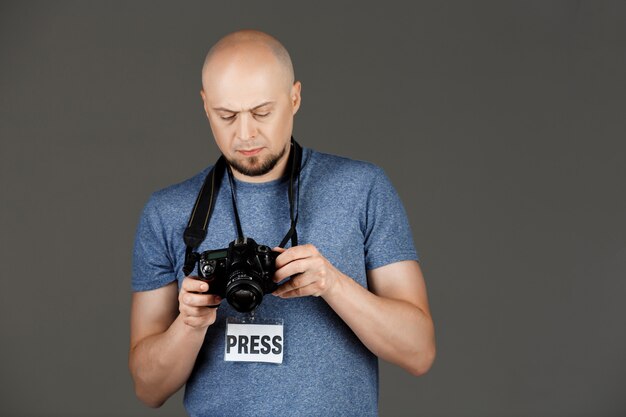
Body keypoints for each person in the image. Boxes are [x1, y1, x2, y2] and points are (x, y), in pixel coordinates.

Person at [129, 29, 435, 417]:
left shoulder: (363, 189)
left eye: (261, 112)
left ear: (294, 98)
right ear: (206, 106)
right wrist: (188, 325)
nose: (244, 134)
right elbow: (148, 388)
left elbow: (418, 352)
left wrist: (332, 284)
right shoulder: (169, 212)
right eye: (226, 115)